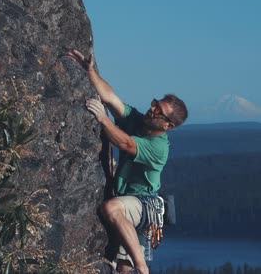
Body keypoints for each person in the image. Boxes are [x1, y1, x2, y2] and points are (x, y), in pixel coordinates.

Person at [68, 49, 188, 274]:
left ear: (167, 126)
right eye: (154, 104)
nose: (151, 110)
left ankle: (143, 269)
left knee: (111, 208)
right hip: (131, 202)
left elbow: (126, 144)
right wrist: (90, 71)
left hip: (145, 204)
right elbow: (111, 98)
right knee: (122, 269)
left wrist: (103, 119)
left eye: (158, 111)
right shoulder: (138, 121)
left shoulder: (159, 148)